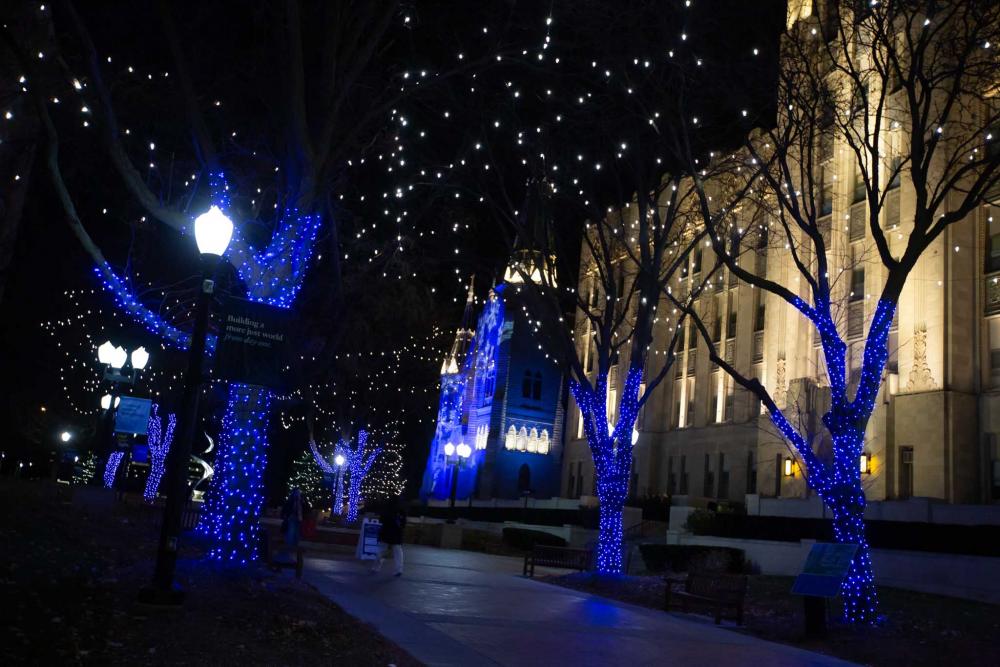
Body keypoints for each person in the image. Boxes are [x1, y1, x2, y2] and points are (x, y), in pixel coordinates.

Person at [371, 498, 407, 576]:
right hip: (396, 534)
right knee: (398, 552)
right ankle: (399, 569)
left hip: (386, 533)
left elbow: (382, 520)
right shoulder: (401, 511)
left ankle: (376, 567)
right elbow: (403, 523)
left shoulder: (387, 509)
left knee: (381, 550)